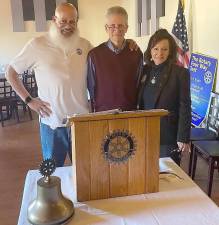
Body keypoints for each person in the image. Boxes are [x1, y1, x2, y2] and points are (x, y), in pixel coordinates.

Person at [6, 3, 138, 167]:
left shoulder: (85, 46)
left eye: (72, 21)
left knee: (85, 170)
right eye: (63, 21)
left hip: (81, 124)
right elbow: (10, 72)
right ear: (54, 20)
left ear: (77, 22)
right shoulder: (37, 45)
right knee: (52, 173)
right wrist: (29, 100)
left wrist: (127, 42)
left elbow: (108, 53)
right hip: (52, 124)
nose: (68, 26)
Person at [137, 29, 191, 165]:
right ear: (150, 50)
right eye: (156, 48)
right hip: (145, 133)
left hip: (168, 136)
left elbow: (185, 106)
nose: (159, 53)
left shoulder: (180, 73)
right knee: (146, 172)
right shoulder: (144, 71)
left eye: (164, 49)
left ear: (170, 51)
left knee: (168, 175)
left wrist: (182, 137)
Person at [87, 6, 143, 112]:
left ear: (126, 27)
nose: (117, 29)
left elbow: (138, 86)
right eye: (112, 26)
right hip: (103, 115)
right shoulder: (94, 55)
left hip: (129, 114)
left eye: (120, 25)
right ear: (106, 28)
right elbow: (91, 90)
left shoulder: (136, 54)